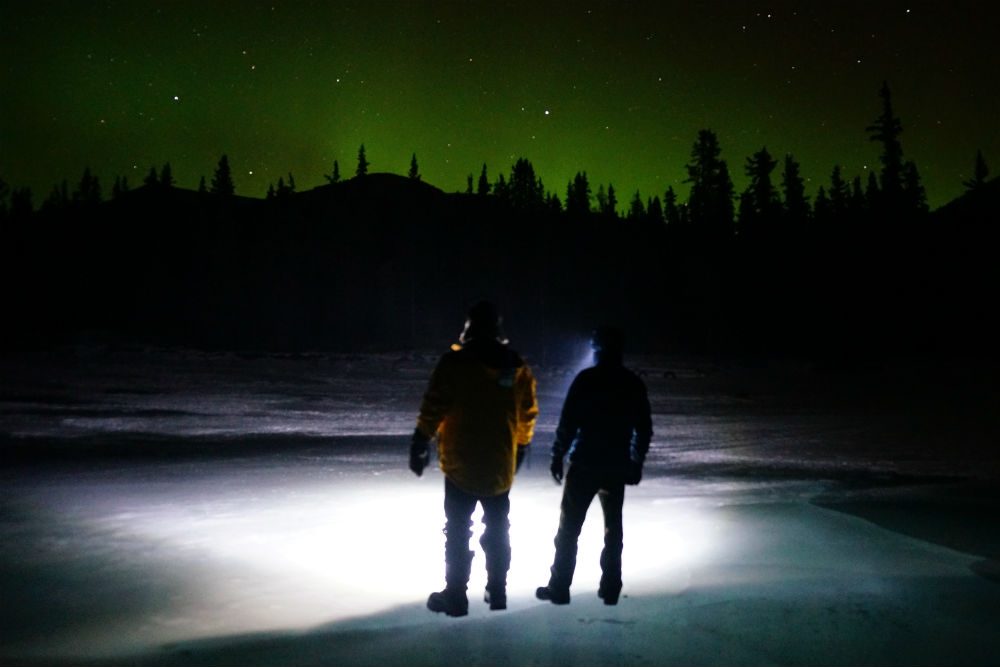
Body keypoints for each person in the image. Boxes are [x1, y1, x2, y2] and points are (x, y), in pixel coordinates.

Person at [409, 300, 539, 617]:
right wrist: (520, 447)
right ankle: (497, 591)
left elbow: (434, 404)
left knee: (457, 530)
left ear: (470, 326)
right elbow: (527, 413)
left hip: (460, 465)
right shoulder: (516, 365)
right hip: (499, 466)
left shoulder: (455, 363)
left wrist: (420, 440)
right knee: (497, 527)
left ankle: (456, 596)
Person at [536, 326, 652, 606]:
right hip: (616, 464)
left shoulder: (586, 380)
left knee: (569, 529)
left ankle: (560, 586)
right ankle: (610, 588)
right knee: (613, 530)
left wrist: (557, 456)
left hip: (585, 462)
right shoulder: (631, 383)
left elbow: (568, 423)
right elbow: (643, 428)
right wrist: (636, 462)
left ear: (597, 349)